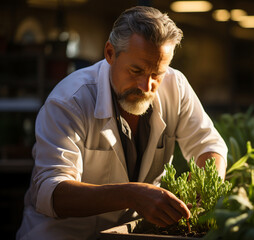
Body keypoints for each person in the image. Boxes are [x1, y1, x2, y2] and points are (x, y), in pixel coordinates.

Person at [16, 5, 227, 240]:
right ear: (110, 53)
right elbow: (52, 192)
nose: (147, 87)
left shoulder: (175, 86)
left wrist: (204, 187)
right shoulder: (70, 101)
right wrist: (131, 195)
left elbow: (209, 145)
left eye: (157, 74)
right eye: (136, 70)